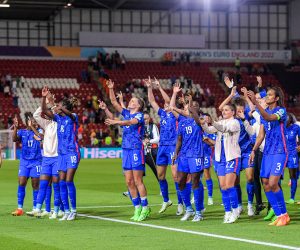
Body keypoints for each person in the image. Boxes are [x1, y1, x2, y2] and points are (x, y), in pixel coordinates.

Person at [104, 79, 150, 222]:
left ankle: (145, 207)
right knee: (129, 181)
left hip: (136, 150)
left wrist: (116, 122)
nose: (130, 102)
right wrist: (111, 88)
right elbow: (114, 102)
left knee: (138, 180)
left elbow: (130, 123)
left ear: (138, 105)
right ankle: (137, 208)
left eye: (133, 101)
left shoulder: (139, 116)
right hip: (126, 150)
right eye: (130, 101)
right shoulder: (127, 113)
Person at [248, 86, 290, 226]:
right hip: (267, 153)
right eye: (267, 94)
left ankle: (284, 215)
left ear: (277, 98)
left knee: (273, 183)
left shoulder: (281, 111)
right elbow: (261, 134)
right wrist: (253, 150)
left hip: (279, 152)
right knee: (265, 183)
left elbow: (269, 118)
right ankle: (278, 215)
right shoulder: (264, 112)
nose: (267, 96)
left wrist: (255, 102)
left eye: (270, 95)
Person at [41, 86, 80, 221]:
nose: (57, 108)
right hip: (61, 154)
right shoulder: (58, 119)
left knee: (69, 180)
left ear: (65, 107)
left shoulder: (73, 117)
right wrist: (44, 97)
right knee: (62, 182)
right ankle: (67, 211)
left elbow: (68, 113)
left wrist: (58, 106)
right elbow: (45, 111)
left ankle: (73, 211)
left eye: (61, 106)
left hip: (72, 152)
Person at [199, 104, 241, 224]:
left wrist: (213, 121)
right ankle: (227, 211)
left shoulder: (235, 123)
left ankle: (235, 210)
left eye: (227, 110)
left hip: (232, 157)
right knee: (223, 186)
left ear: (233, 112)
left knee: (229, 185)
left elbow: (224, 129)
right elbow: (208, 130)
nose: (224, 111)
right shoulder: (221, 122)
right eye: (223, 110)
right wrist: (204, 123)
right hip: (220, 158)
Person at [146, 77, 177, 214]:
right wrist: (149, 87)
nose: (165, 105)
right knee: (161, 175)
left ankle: (181, 204)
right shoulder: (163, 114)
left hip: (173, 146)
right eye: (164, 104)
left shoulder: (176, 114)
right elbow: (152, 101)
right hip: (162, 146)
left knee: (176, 176)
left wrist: (159, 87)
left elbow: (170, 102)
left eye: (167, 104)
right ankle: (166, 200)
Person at [172, 96, 205, 222]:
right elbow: (179, 139)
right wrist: (176, 153)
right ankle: (189, 209)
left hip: (196, 154)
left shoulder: (199, 120)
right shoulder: (182, 122)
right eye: (188, 106)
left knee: (195, 181)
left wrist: (190, 104)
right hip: (184, 155)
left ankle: (198, 212)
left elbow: (195, 116)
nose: (190, 107)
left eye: (193, 106)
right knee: (180, 180)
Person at [31, 92, 63, 219]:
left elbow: (56, 113)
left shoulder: (60, 123)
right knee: (43, 183)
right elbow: (36, 115)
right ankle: (37, 208)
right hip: (46, 158)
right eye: (50, 110)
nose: (51, 112)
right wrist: (47, 102)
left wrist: (53, 105)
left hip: (56, 158)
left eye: (53, 110)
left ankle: (57, 210)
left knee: (56, 185)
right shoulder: (46, 124)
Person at [11, 113, 43, 216]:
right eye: (33, 121)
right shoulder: (22, 132)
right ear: (28, 122)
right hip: (24, 162)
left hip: (36, 161)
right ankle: (20, 208)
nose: (36, 123)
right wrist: (15, 128)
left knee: (35, 184)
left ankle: (35, 209)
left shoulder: (39, 131)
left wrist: (33, 127)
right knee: (21, 182)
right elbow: (14, 139)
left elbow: (40, 137)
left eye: (35, 121)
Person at [285, 113, 300, 204]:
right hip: (281, 154)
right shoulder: (280, 127)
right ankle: (278, 196)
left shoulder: (296, 127)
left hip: (292, 154)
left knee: (292, 175)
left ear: (290, 120)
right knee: (276, 176)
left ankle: (292, 198)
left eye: (286, 119)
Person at [202, 113, 216, 206]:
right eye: (204, 119)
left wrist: (207, 140)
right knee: (194, 176)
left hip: (206, 154)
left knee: (207, 175)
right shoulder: (198, 129)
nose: (206, 120)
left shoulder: (211, 131)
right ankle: (195, 196)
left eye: (207, 118)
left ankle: (210, 197)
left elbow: (213, 143)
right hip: (196, 154)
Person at [143, 112, 159, 181]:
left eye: (146, 119)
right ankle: (132, 190)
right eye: (143, 119)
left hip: (152, 151)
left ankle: (162, 189)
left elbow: (157, 139)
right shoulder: (139, 127)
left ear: (149, 119)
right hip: (141, 152)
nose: (145, 120)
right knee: (137, 172)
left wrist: (149, 141)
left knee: (157, 171)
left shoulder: (153, 126)